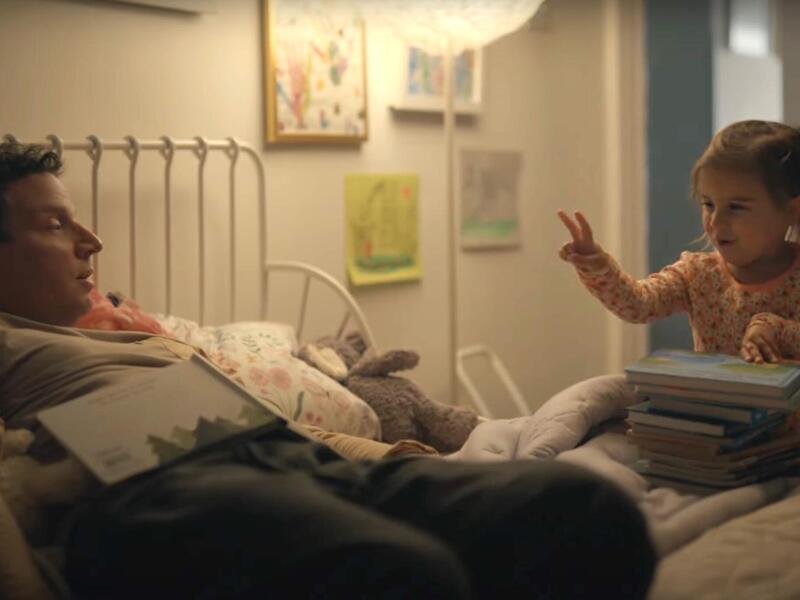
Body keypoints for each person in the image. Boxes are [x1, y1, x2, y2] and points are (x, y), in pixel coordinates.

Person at [0, 141, 656, 599]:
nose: (92, 242)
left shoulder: (144, 334)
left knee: (584, 507)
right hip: (155, 492)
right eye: (57, 225)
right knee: (400, 571)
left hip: (286, 459)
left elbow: (276, 424)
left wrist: (398, 456)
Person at [559, 119, 800, 365]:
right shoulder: (697, 274)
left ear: (792, 211)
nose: (716, 222)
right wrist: (596, 266)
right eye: (708, 204)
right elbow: (638, 304)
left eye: (736, 207)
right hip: (712, 403)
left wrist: (774, 328)